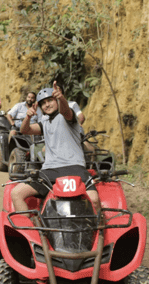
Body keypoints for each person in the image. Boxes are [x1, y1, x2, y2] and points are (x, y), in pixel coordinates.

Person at [11, 81, 100, 215]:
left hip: (75, 167)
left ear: (56, 100)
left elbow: (66, 111)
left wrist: (61, 98)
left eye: (50, 100)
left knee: (94, 200)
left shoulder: (68, 117)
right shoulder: (45, 122)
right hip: (49, 170)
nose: (47, 105)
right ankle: (31, 232)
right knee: (16, 193)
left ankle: (98, 230)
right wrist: (28, 116)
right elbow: (25, 130)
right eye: (43, 103)